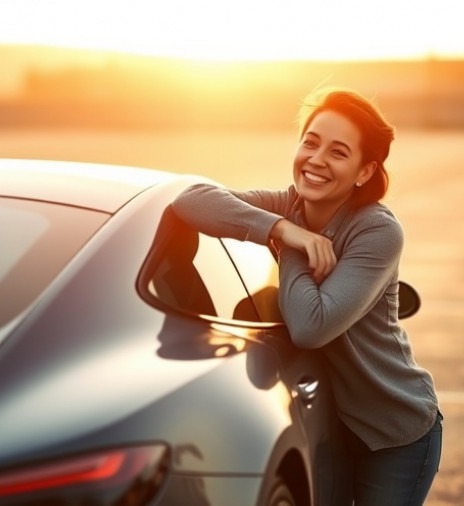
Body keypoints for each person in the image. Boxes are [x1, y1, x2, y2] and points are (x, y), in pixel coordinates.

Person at [171, 86, 442, 505]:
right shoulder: (286, 206)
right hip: (332, 425)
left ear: (364, 171)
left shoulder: (377, 230)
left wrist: (290, 245)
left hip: (394, 433)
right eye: (310, 142)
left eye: (338, 152)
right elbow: (191, 201)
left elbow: (311, 326)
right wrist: (284, 229)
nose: (316, 160)